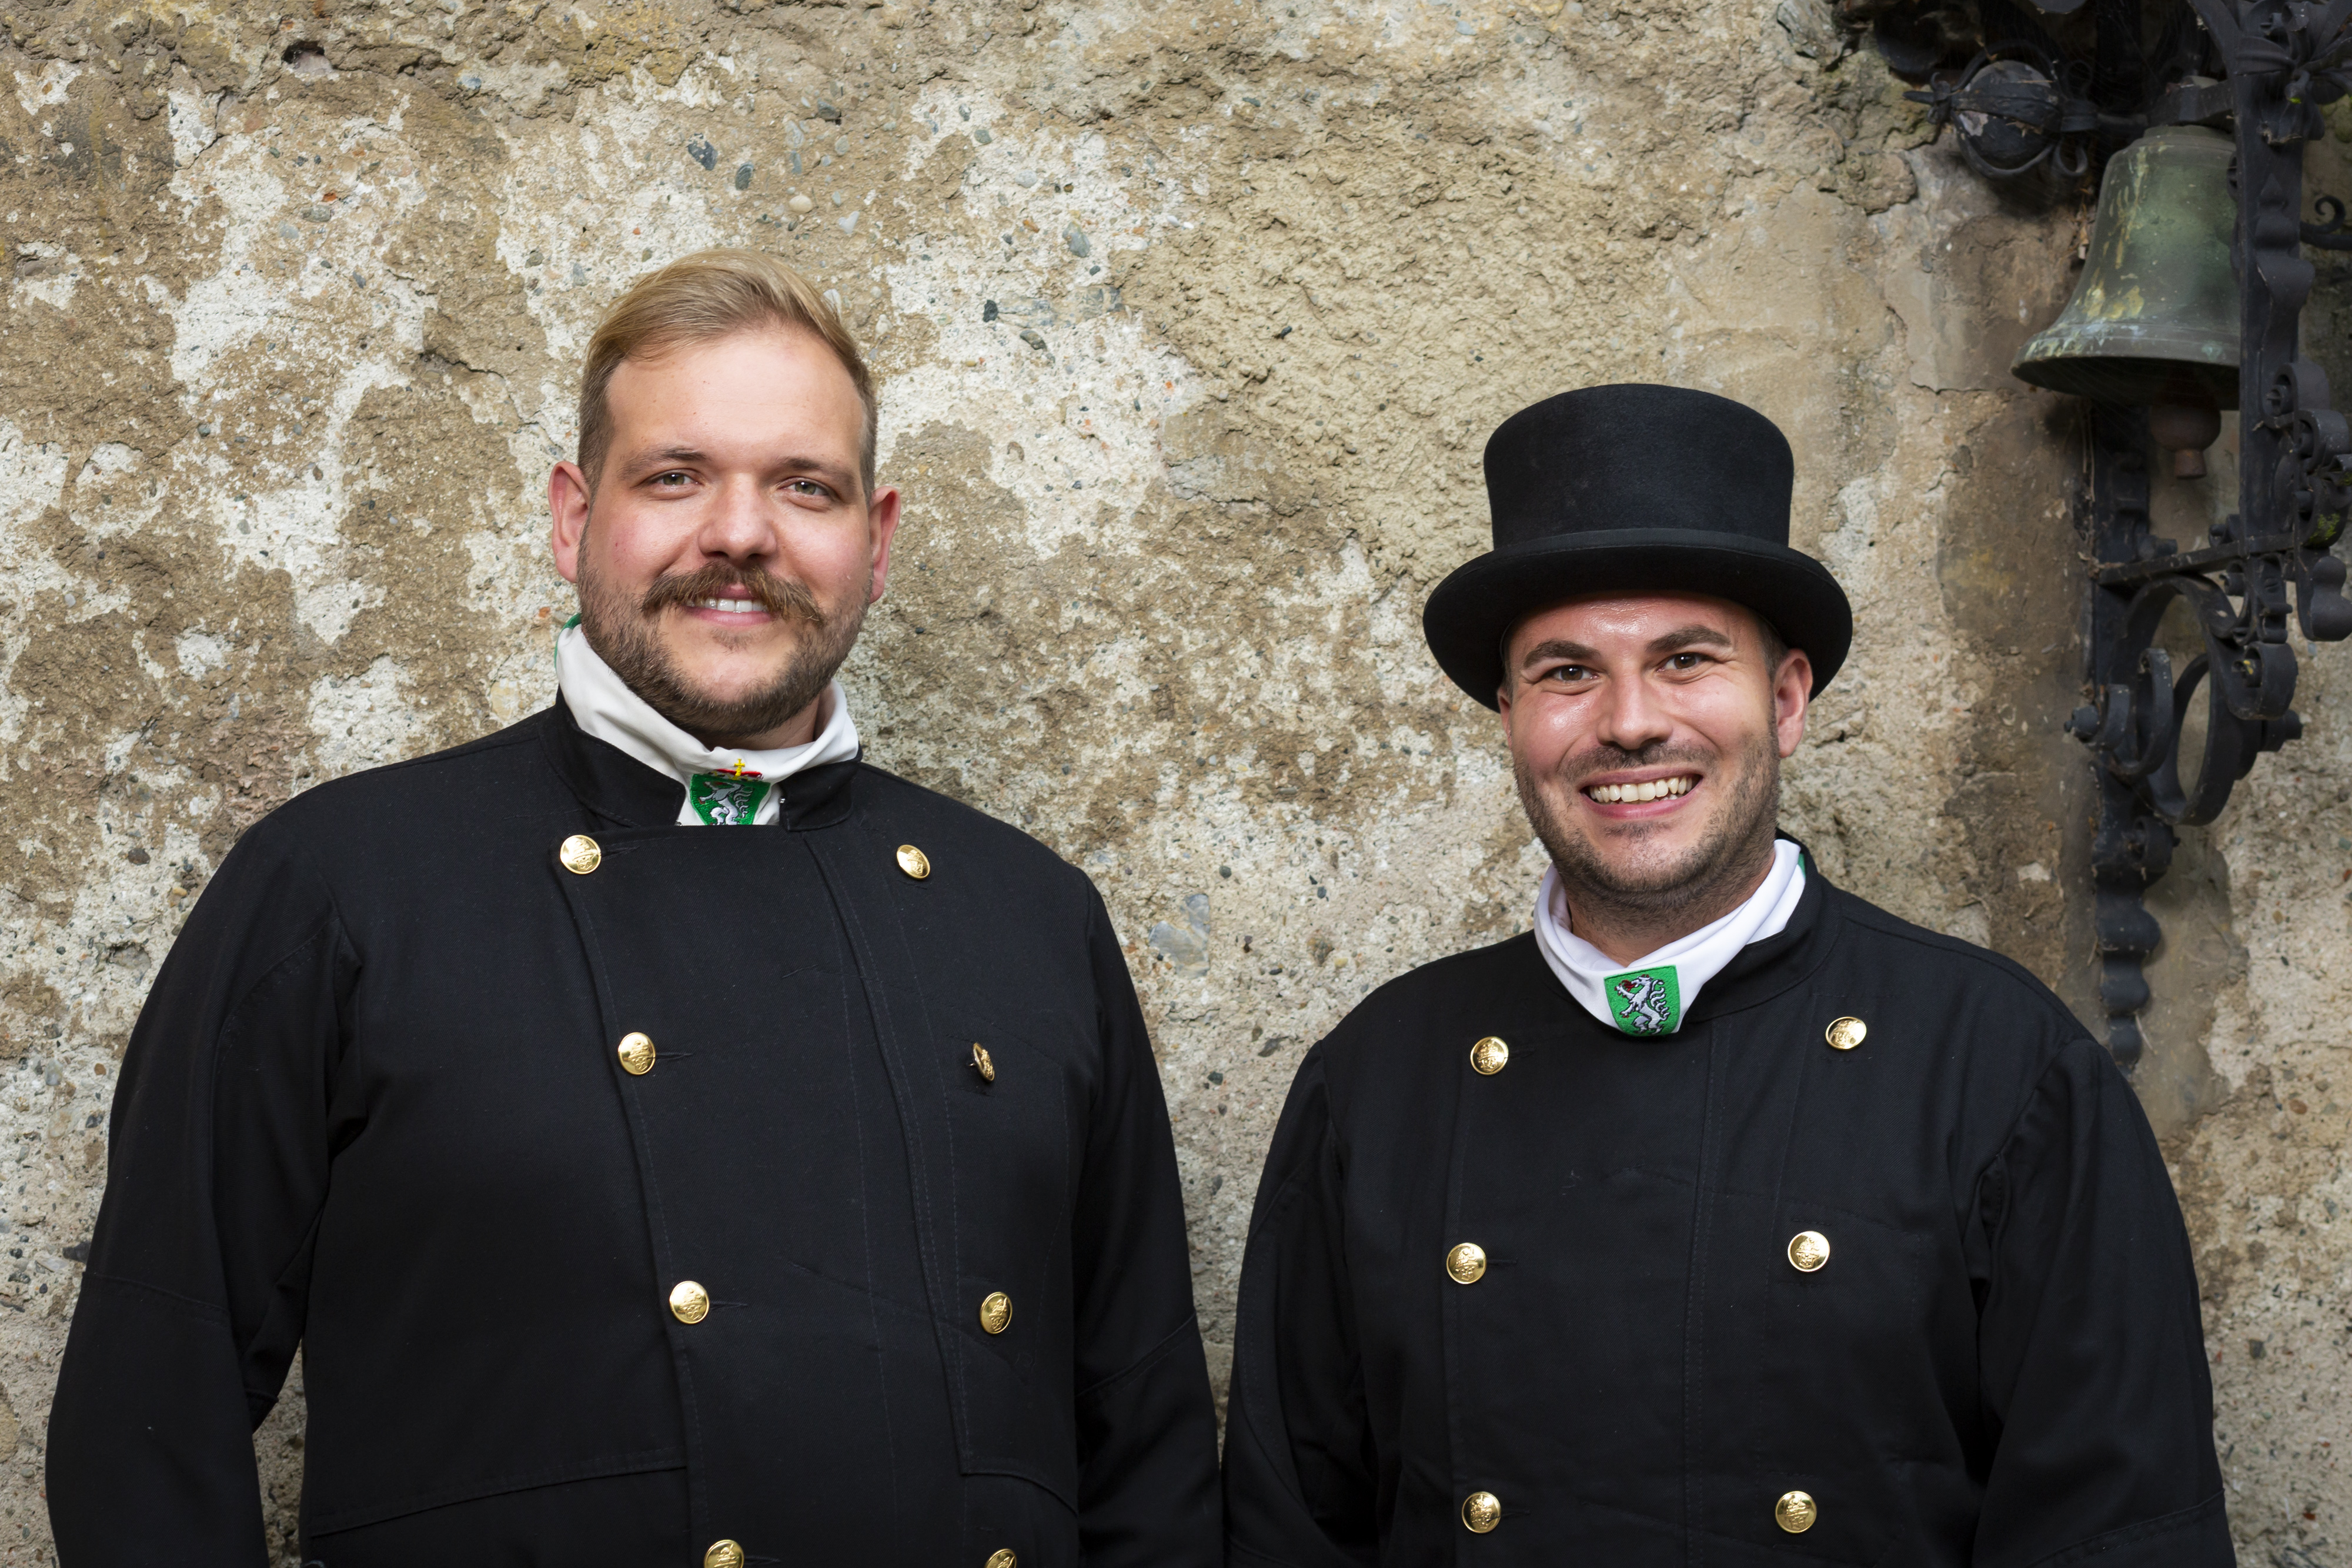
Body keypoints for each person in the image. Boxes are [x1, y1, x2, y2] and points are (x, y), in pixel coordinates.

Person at [48, 250, 1221, 1568]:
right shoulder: (339, 884)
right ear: (569, 517)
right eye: (674, 476)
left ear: (875, 542)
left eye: (804, 486)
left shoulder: (1031, 916)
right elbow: (148, 1418)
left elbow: (1152, 1464)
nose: (738, 532)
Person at [1220, 384, 2231, 1566]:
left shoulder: (2000, 1068)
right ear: (1507, 715)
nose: (1630, 722)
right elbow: (1288, 1531)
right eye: (1563, 672)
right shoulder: (1376, 1079)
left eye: (1685, 658)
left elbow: (2118, 1534)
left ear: (1785, 697)